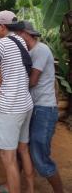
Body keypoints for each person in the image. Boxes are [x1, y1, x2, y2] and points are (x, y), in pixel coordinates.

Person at [0, 11, 34, 193]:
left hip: (11, 107)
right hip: (26, 103)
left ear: (2, 26)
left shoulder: (0, 43)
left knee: (8, 156)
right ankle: (29, 189)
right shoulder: (21, 41)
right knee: (23, 149)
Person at [17, 21, 64, 193]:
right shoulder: (29, 52)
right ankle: (13, 185)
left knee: (39, 155)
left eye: (17, 33)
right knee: (22, 148)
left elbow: (33, 80)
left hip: (44, 109)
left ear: (25, 33)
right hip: (33, 107)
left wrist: (10, 85)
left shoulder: (41, 50)